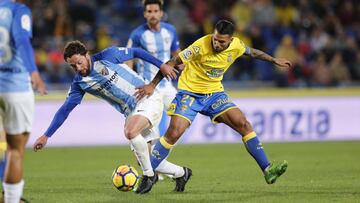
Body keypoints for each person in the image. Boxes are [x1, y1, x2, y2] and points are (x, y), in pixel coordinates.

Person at [136, 20, 292, 194]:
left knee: (244, 124)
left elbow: (252, 52)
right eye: (215, 39)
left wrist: (273, 60)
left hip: (214, 95)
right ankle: (148, 176)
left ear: (231, 40)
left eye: (222, 41)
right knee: (173, 134)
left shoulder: (237, 45)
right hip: (190, 94)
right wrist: (152, 85)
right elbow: (172, 61)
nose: (217, 43)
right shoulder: (200, 46)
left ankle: (267, 169)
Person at [32, 40, 190, 194]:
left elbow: (136, 52)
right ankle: (181, 173)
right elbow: (65, 110)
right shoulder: (79, 83)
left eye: (79, 62)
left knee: (130, 132)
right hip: (132, 112)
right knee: (145, 159)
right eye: (73, 66)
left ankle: (148, 177)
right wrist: (47, 135)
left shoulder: (108, 56)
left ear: (86, 55)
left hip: (147, 98)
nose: (78, 68)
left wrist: (161, 65)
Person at [126, 0, 181, 180]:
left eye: (155, 11)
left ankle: (159, 164)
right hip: (149, 88)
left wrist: (185, 69)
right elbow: (129, 58)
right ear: (144, 14)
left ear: (161, 12)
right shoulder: (137, 34)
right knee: (149, 132)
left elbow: (177, 54)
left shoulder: (170, 30)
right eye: (149, 11)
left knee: (181, 122)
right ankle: (154, 170)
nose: (152, 14)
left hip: (168, 87)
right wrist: (129, 82)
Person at [0, 0, 47, 202]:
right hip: (15, 86)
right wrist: (33, 72)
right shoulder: (18, 11)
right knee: (15, 150)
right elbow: (22, 40)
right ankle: (11, 199)